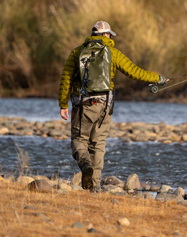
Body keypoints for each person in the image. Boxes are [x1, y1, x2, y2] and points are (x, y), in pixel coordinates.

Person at [58, 21, 167, 191]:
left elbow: (66, 78)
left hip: (82, 105)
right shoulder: (113, 53)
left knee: (79, 140)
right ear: (107, 35)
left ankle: (85, 165)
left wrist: (63, 104)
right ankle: (93, 187)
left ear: (93, 35)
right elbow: (135, 72)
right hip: (104, 107)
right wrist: (157, 78)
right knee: (98, 144)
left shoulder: (77, 52)